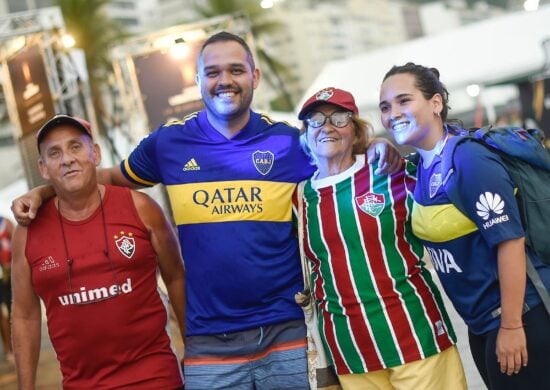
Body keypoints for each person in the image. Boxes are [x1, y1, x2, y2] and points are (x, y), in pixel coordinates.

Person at [11, 32, 400, 389]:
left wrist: (377, 145)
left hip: (289, 333)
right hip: (209, 342)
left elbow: (341, 158)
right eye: (212, 72)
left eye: (236, 70)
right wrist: (43, 192)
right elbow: (104, 178)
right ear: (198, 80)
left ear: (255, 75)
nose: (224, 80)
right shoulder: (167, 144)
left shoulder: (288, 143)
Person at [378, 62, 550, 390]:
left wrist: (513, 326)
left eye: (404, 100)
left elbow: (510, 242)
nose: (392, 113)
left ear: (436, 103)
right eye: (385, 106)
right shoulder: (423, 166)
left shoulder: (468, 159)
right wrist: (375, 145)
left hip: (521, 317)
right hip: (482, 323)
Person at [296, 87, 467, 389]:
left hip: (416, 336)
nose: (326, 126)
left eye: (339, 117)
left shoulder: (390, 172)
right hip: (351, 351)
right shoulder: (300, 198)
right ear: (306, 132)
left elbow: (445, 167)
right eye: (315, 120)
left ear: (357, 129)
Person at [11, 115, 186, 389]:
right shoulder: (27, 232)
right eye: (54, 153)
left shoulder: (142, 209)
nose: (67, 159)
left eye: (75, 147)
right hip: (81, 384)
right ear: (43, 168)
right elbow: (24, 315)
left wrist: (196, 353)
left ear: (96, 153)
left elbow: (177, 278)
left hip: (157, 378)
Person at [0, 215, 14, 365]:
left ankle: (15, 346)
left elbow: (18, 245)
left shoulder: (6, 223)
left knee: (13, 311)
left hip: (9, 275)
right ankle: (8, 349)